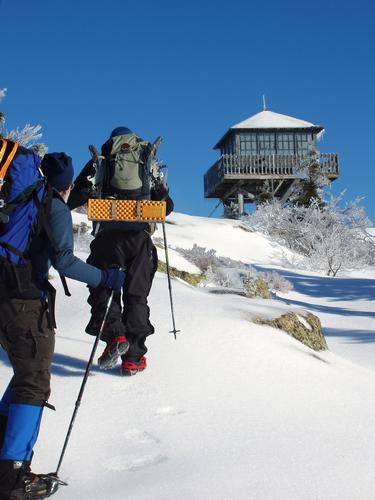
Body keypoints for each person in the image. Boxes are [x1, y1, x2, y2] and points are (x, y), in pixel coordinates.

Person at [0, 151, 125, 500]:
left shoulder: (24, 200)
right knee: (34, 382)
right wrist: (105, 278)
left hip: (4, 297)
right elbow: (65, 261)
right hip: (26, 303)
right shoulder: (52, 207)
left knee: (24, 375)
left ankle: (5, 464)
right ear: (66, 185)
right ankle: (12, 477)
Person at [68, 126, 174, 376]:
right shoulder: (146, 161)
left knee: (105, 288)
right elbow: (166, 206)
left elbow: (75, 197)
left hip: (107, 236)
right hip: (140, 238)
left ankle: (115, 337)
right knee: (137, 297)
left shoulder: (101, 161)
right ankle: (134, 359)